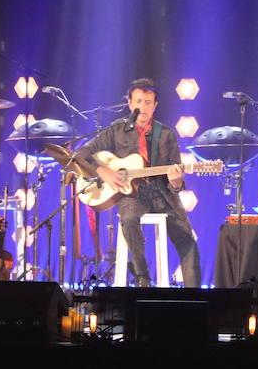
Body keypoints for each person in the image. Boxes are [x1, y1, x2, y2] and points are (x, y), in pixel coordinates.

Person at [75, 78, 200, 287]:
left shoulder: (166, 134)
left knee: (188, 240)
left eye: (148, 102)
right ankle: (143, 279)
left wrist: (177, 183)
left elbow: (175, 177)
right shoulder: (116, 130)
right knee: (130, 218)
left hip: (163, 194)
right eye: (139, 101)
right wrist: (102, 171)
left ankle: (195, 296)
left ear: (155, 106)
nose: (143, 106)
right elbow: (81, 154)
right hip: (132, 195)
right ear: (130, 104)